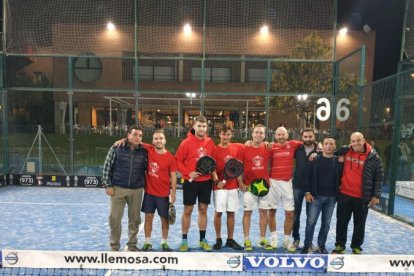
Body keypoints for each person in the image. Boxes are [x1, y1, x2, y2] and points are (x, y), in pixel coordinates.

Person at [332, 132, 383, 254]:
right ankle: (340, 245)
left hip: (362, 197)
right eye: (353, 141)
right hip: (344, 194)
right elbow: (328, 154)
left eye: (358, 140)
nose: (355, 143)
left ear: (364, 140)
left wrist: (376, 195)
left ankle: (356, 246)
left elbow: (379, 176)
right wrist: (314, 154)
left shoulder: (374, 157)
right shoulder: (344, 151)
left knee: (359, 224)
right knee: (341, 222)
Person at [102, 126, 147, 252]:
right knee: (114, 218)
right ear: (128, 135)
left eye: (140, 135)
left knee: (135, 219)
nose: (138, 137)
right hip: (117, 189)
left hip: (137, 190)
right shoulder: (117, 147)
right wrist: (108, 185)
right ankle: (114, 246)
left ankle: (132, 245)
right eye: (135, 134)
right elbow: (107, 166)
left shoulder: (144, 151)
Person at [175, 115, 216, 252]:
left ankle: (202, 239)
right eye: (199, 126)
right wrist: (188, 173)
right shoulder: (185, 143)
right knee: (188, 210)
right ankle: (184, 240)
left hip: (205, 182)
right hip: (190, 182)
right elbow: (178, 161)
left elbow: (212, 161)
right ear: (194, 126)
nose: (202, 128)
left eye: (204, 126)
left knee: (203, 210)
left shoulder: (210, 142)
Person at [301, 137, 341, 254]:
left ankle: (321, 245)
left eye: (331, 144)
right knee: (311, 222)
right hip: (315, 197)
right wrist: (307, 192)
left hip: (331, 198)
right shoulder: (314, 159)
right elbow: (306, 177)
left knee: (326, 224)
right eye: (326, 144)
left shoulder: (339, 162)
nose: (328, 146)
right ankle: (307, 245)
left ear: (334, 147)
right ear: (322, 146)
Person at [237, 124, 273, 251]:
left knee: (264, 213)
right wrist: (241, 183)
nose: (258, 135)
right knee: (247, 213)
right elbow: (239, 168)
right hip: (249, 187)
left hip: (264, 187)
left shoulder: (268, 148)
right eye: (256, 132)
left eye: (261, 133)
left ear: (264, 135)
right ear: (252, 134)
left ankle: (262, 239)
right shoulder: (244, 149)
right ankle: (246, 240)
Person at [141, 130, 177, 252]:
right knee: (148, 218)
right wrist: (122, 140)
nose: (158, 140)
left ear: (165, 140)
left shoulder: (170, 158)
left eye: (161, 138)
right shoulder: (149, 149)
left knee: (164, 219)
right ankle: (147, 242)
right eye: (156, 138)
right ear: (153, 141)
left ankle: (164, 243)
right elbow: (136, 141)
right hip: (149, 193)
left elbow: (173, 176)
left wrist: (173, 194)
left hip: (163, 195)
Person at [267, 126, 302, 251]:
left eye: (283, 134)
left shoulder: (293, 144)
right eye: (278, 134)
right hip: (273, 183)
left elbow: (309, 143)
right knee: (271, 212)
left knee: (290, 214)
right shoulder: (271, 147)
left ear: (287, 135)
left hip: (287, 184)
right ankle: (273, 239)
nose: (281, 136)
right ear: (275, 136)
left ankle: (286, 241)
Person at [211, 125, 244, 250]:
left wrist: (240, 183)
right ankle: (218, 239)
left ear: (231, 135)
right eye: (224, 134)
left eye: (228, 134)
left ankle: (230, 239)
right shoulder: (214, 149)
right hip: (219, 188)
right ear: (220, 135)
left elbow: (249, 144)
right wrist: (216, 180)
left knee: (231, 213)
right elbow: (212, 168)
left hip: (233, 187)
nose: (226, 137)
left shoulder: (237, 147)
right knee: (218, 213)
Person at [292, 128, 318, 250]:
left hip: (313, 188)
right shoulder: (296, 149)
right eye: (305, 137)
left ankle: (309, 242)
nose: (308, 139)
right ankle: (296, 239)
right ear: (302, 138)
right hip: (297, 186)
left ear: (314, 137)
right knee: (295, 215)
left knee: (310, 217)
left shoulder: (320, 149)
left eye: (310, 136)